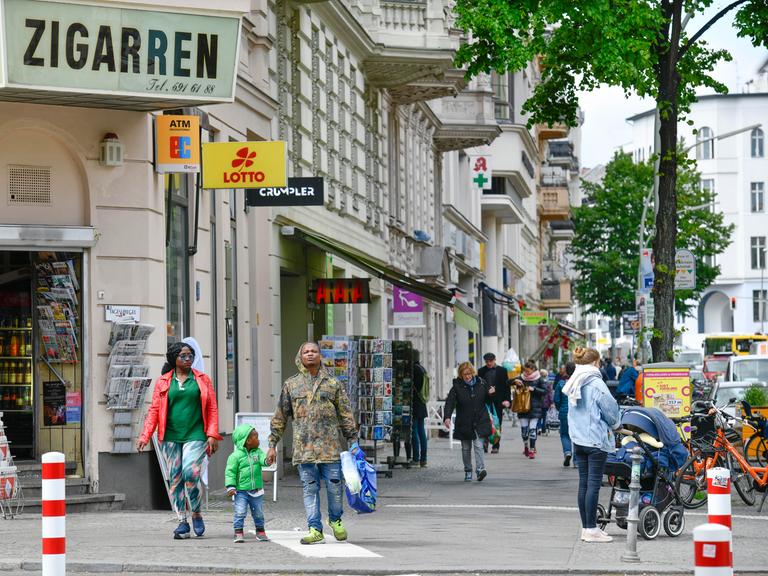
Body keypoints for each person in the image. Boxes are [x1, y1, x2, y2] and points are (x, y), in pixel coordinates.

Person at [266, 342, 358, 545]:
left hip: (330, 448)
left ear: (320, 355)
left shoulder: (333, 383)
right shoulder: (292, 384)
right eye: (306, 351)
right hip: (304, 449)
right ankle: (315, 528)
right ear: (300, 356)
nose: (310, 354)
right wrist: (272, 444)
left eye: (313, 351)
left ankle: (335, 520)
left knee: (335, 487)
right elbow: (280, 416)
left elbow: (345, 414)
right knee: (309, 489)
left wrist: (353, 441)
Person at [137, 342, 221, 539]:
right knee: (175, 479)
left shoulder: (202, 379)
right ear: (174, 359)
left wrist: (212, 434)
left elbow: (212, 408)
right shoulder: (164, 382)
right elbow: (154, 411)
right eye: (183, 356)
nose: (188, 359)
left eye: (190, 355)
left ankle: (196, 511)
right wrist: (145, 435)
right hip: (170, 436)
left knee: (190, 472)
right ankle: (182, 521)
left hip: (196, 434)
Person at [562, 346, 621, 543]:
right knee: (594, 485)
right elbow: (610, 410)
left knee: (584, 484)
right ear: (595, 363)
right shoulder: (596, 383)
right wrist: (616, 425)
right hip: (595, 439)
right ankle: (591, 530)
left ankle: (587, 527)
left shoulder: (574, 381)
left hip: (578, 439)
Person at [443, 361, 492, 482]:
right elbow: (449, 403)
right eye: (465, 374)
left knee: (479, 445)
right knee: (465, 448)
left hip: (480, 419)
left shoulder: (481, 383)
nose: (468, 376)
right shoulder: (456, 387)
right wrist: (447, 417)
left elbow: (489, 399)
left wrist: (491, 394)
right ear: (461, 375)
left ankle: (480, 469)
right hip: (464, 421)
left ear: (473, 373)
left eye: (469, 373)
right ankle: (468, 470)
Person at [226, 425, 269, 543]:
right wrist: (230, 486)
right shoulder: (235, 456)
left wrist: (268, 460)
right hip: (241, 491)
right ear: (248, 441)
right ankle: (238, 531)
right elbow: (230, 472)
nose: (259, 440)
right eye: (256, 437)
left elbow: (263, 460)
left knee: (259, 512)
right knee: (240, 511)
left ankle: (260, 531)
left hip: (256, 490)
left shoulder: (258, 452)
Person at [512, 360, 548, 459]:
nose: (526, 373)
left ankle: (532, 450)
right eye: (525, 371)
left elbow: (545, 391)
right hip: (523, 408)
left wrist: (534, 389)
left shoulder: (539, 379)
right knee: (524, 431)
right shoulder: (521, 378)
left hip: (535, 408)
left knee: (532, 430)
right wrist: (514, 381)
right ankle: (526, 446)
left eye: (528, 371)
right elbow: (509, 382)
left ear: (533, 369)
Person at [477, 352, 511, 454]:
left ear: (494, 360)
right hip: (485, 401)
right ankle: (485, 442)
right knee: (485, 422)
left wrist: (507, 400)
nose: (489, 363)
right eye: (487, 362)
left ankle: (496, 445)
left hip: (498, 401)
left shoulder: (502, 370)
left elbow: (506, 387)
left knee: (497, 423)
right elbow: (479, 386)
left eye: (490, 361)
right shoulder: (481, 371)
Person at [553, 362, 576, 466]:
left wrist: (560, 408)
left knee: (564, 434)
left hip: (564, 412)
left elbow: (556, 399)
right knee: (577, 436)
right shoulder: (579, 383)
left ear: (566, 370)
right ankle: (576, 461)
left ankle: (567, 452)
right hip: (577, 413)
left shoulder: (561, 383)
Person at [411, 349, 428, 467]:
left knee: (414, 430)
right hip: (422, 402)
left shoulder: (414, 369)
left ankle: (416, 458)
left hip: (415, 403)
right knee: (421, 431)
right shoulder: (422, 369)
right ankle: (423, 459)